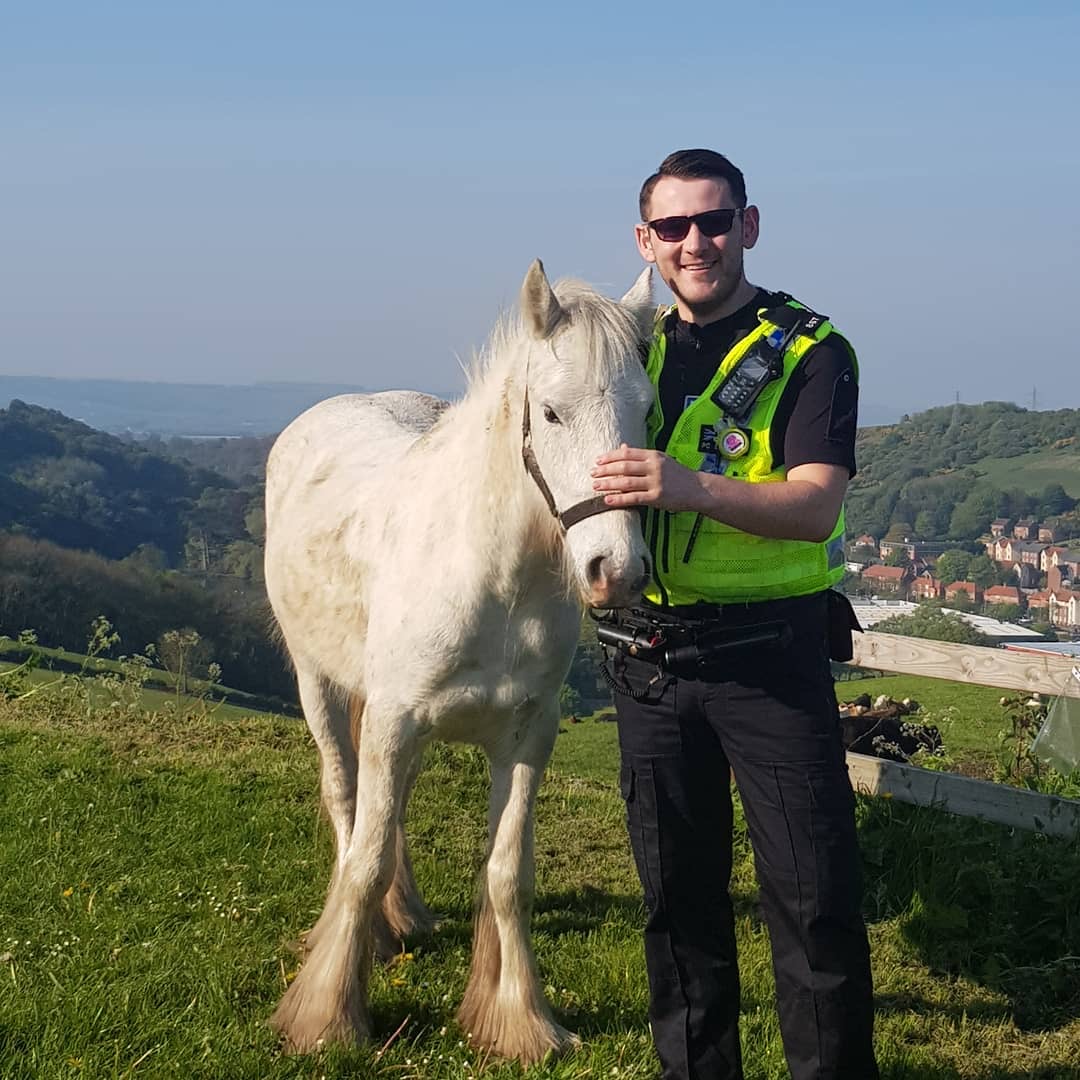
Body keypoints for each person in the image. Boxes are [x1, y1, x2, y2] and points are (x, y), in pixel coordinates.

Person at [589, 149, 879, 1080]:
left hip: (769, 666)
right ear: (646, 241)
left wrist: (690, 488)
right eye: (672, 227)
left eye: (713, 221)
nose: (695, 242)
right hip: (647, 664)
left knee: (813, 906)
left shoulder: (809, 349)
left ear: (748, 225)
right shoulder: (626, 350)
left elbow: (815, 506)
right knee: (679, 913)